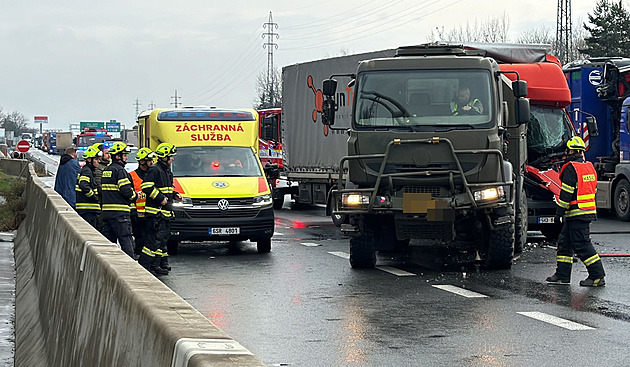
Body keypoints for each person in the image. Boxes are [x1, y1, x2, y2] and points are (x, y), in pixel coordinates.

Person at [546, 136, 605, 287]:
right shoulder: (589, 167)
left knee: (582, 245)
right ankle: (562, 275)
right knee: (564, 243)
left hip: (576, 212)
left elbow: (566, 194)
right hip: (584, 211)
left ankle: (597, 276)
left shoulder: (571, 168)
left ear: (571, 151)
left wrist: (559, 213)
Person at [138, 143, 182, 275]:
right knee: (153, 241)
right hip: (155, 213)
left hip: (165, 213)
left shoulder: (167, 171)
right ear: (164, 158)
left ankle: (157, 265)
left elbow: (167, 188)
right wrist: (160, 198)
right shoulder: (155, 170)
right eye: (170, 157)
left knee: (162, 241)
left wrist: (175, 195)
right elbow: (146, 186)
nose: (172, 159)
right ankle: (144, 266)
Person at [100, 142, 137, 258]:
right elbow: (126, 190)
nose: (126, 158)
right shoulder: (120, 171)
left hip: (106, 213)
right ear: (118, 156)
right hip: (120, 214)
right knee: (126, 240)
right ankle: (130, 267)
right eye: (124, 155)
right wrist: (134, 196)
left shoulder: (106, 170)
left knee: (109, 244)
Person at [130, 147, 155, 258]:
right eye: (149, 160)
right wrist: (133, 211)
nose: (152, 162)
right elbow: (129, 195)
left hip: (151, 213)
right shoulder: (132, 176)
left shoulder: (153, 174)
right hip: (138, 215)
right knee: (140, 238)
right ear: (142, 161)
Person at [75, 146, 101, 229]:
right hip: (87, 209)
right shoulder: (87, 171)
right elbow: (83, 184)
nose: (98, 161)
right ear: (89, 160)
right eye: (96, 159)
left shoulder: (89, 170)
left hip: (88, 209)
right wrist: (94, 197)